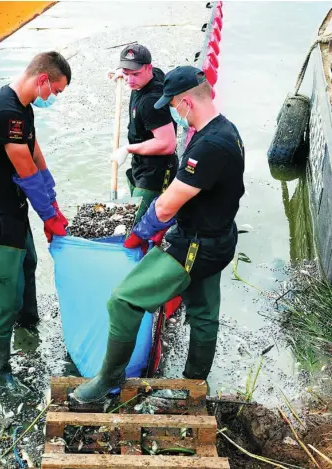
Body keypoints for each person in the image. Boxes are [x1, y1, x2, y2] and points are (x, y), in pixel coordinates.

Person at [73, 66, 245, 403]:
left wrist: (141, 231)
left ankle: (109, 378)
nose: (171, 112)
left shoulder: (209, 146)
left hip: (195, 246)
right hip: (219, 238)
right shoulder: (228, 130)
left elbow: (166, 206)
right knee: (204, 314)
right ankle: (195, 386)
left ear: (185, 103)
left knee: (122, 301)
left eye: (172, 105)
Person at [0, 51, 71, 397]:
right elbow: (25, 170)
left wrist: (52, 200)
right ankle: (0, 370)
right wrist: (50, 218)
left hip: (12, 206)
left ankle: (28, 330)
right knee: (1, 296)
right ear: (42, 79)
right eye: (55, 91)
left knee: (29, 263)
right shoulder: (5, 112)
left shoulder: (22, 107)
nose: (53, 98)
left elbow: (36, 154)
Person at [109, 44, 178, 223]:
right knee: (133, 214)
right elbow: (131, 73)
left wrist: (128, 149)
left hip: (156, 171)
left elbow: (168, 144)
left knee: (141, 222)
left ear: (148, 68)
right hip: (140, 164)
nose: (130, 80)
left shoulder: (150, 102)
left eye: (135, 74)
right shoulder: (154, 74)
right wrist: (121, 75)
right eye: (126, 73)